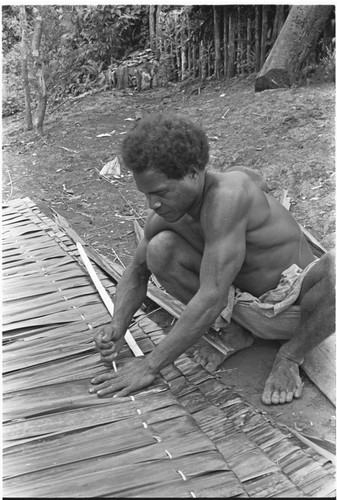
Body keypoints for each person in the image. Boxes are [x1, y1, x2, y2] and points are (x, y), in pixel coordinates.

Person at [89, 113, 335, 405]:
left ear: (194, 173)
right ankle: (234, 332)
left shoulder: (227, 197)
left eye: (160, 193)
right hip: (241, 307)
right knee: (159, 249)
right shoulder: (166, 214)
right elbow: (136, 272)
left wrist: (149, 365)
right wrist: (118, 325)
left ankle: (290, 356)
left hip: (297, 310)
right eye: (146, 195)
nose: (153, 204)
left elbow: (212, 297)